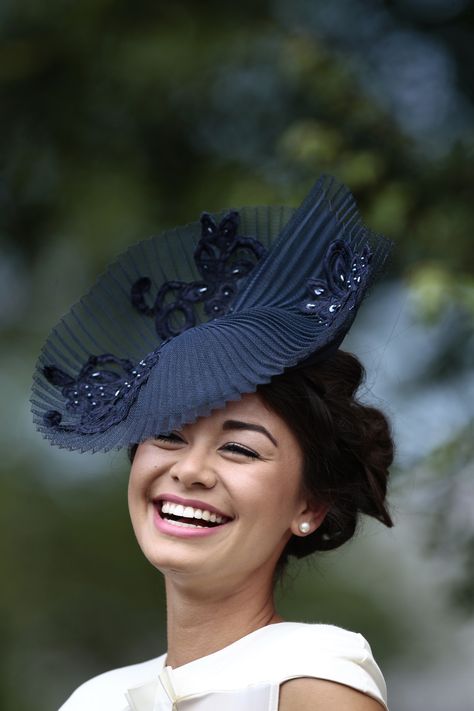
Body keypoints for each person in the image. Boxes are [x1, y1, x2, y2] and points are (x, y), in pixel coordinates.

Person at [32, 175, 394, 710]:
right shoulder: (94, 699)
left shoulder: (315, 679)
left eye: (240, 449)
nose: (191, 469)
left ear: (310, 506)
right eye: (169, 434)